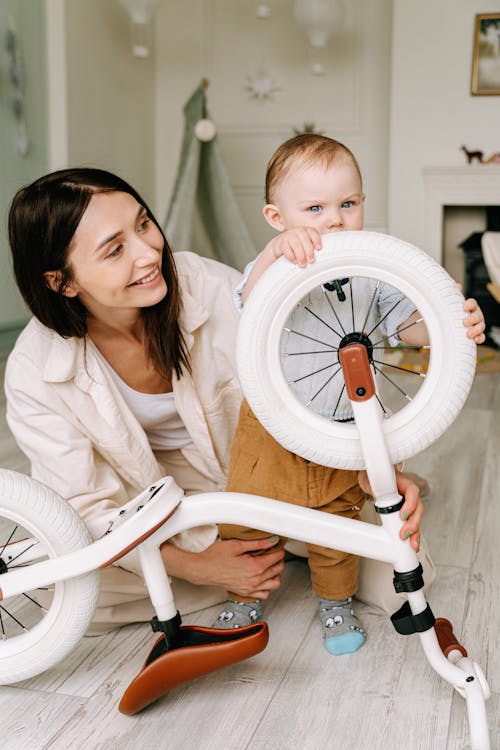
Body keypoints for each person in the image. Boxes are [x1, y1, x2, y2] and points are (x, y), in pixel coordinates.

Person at [3, 168, 432, 634]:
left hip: (271, 470)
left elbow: (321, 378)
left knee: (406, 574)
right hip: (151, 501)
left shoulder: (207, 285)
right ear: (61, 282)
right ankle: (251, 564)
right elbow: (83, 505)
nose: (150, 254)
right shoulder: (33, 370)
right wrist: (193, 564)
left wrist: (375, 463)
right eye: (115, 249)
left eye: (144, 224)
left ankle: (277, 553)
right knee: (65, 591)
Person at [213, 134, 486, 656]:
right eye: (314, 208)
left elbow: (406, 326)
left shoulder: (372, 272)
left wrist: (450, 321)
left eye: (347, 204)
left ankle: (334, 602)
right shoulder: (271, 269)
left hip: (345, 426)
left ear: (363, 204)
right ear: (277, 217)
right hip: (273, 422)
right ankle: (243, 594)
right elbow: (250, 303)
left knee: (336, 519)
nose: (334, 220)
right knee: (246, 512)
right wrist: (275, 254)